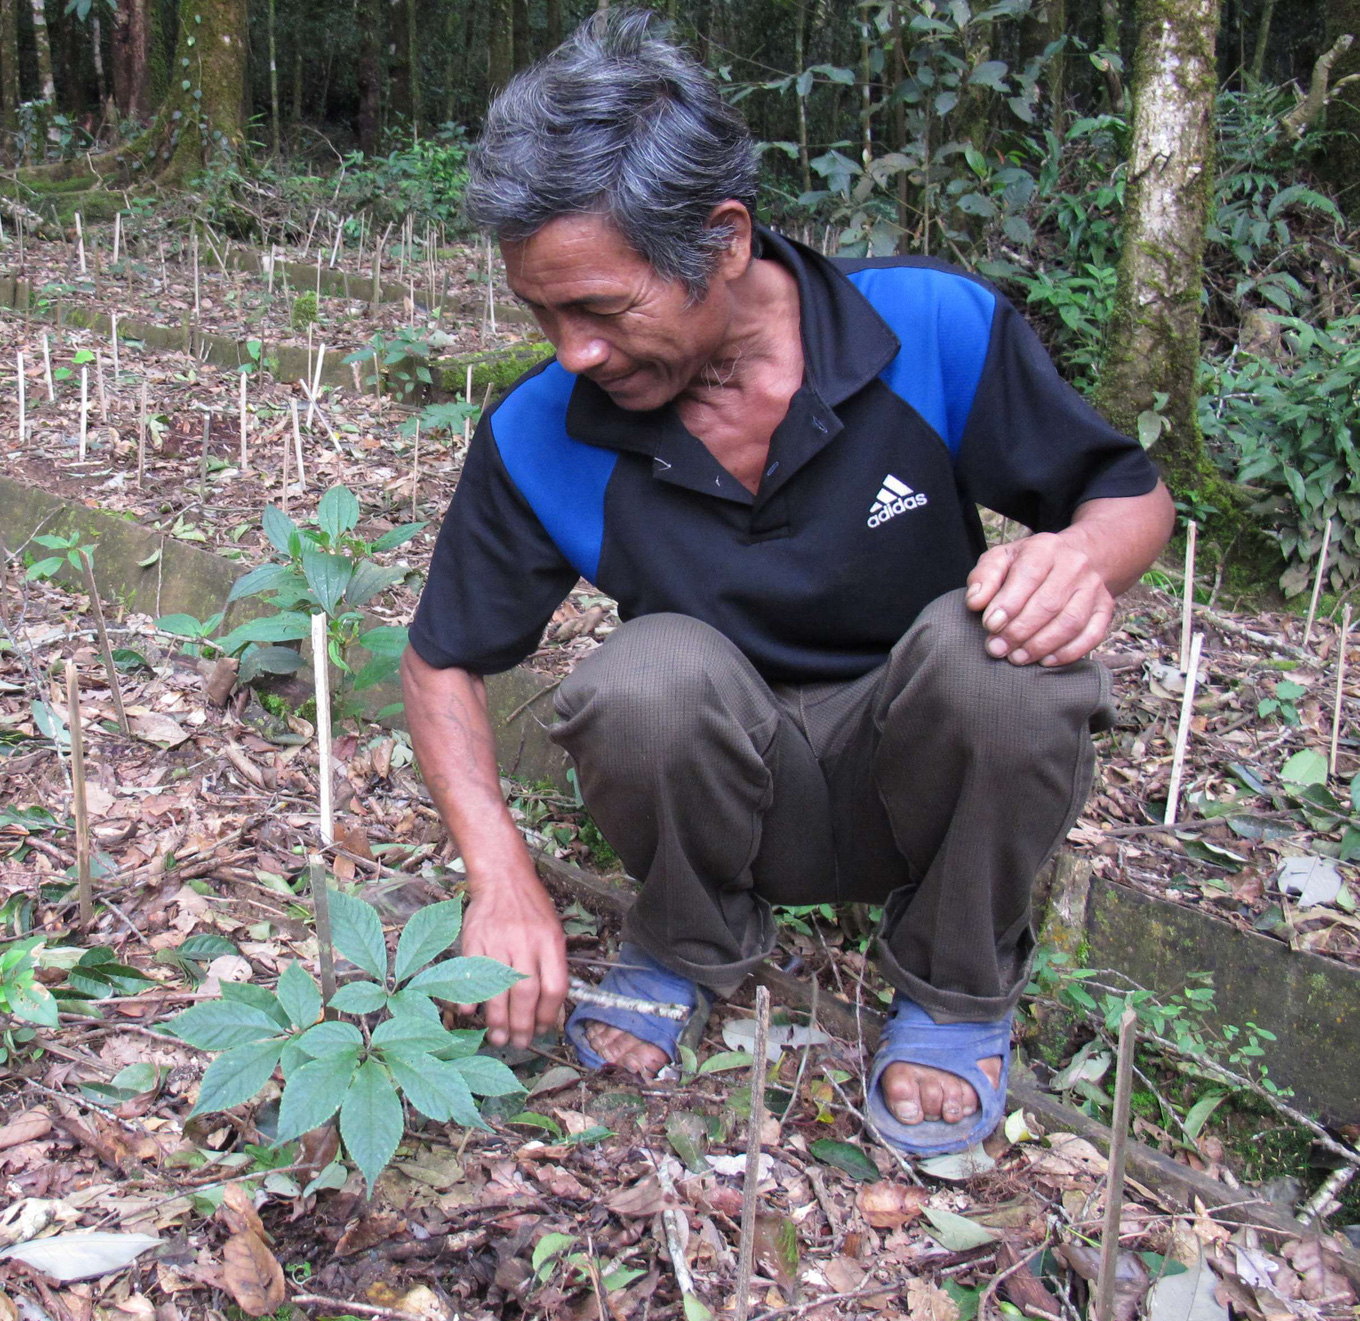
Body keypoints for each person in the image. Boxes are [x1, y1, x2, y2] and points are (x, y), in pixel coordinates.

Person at [399, 8, 1175, 1155]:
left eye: (601, 310)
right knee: (644, 677)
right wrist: (498, 873)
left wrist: (1077, 557)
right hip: (729, 783)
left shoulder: (929, 328)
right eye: (541, 312)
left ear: (721, 239)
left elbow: (1131, 495)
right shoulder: (540, 429)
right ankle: (686, 938)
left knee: (1005, 664)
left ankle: (955, 989)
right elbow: (439, 659)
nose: (571, 352)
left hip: (916, 768)